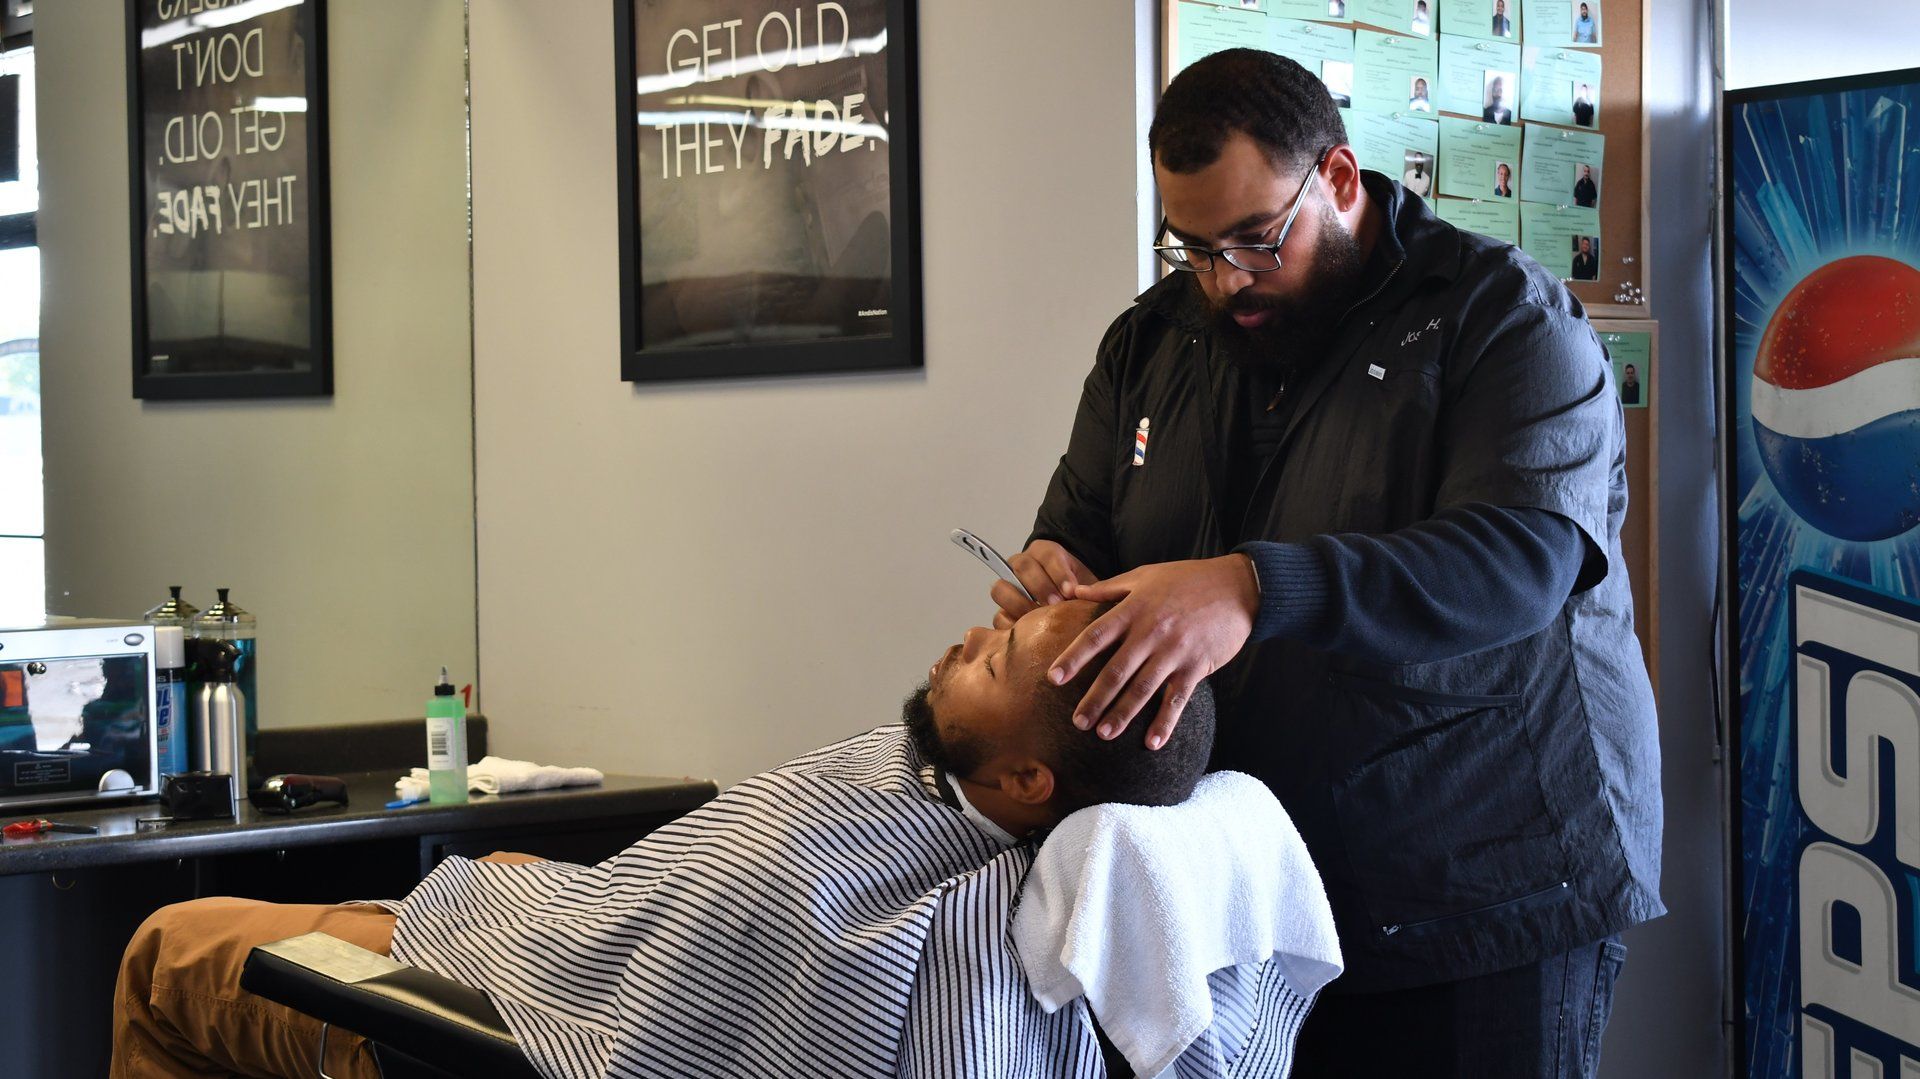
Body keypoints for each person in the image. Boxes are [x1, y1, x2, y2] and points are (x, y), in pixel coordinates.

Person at [1005, 49, 1660, 1079]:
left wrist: (1252, 585)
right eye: (1193, 248)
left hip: (1481, 890)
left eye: (1257, 241)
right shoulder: (1153, 339)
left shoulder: (1503, 318)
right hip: (1249, 895)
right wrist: (1057, 568)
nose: (1227, 281)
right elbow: (1085, 520)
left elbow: (1523, 560)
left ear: (1339, 180)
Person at [112, 600, 1256, 1079]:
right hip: (537, 930)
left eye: (999, 658)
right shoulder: (948, 807)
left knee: (167, 946)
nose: (970, 636)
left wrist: (566, 918)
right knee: (499, 867)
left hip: (499, 1019)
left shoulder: (918, 917)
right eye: (1002, 621)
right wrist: (567, 896)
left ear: (1027, 776)